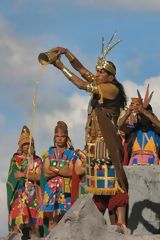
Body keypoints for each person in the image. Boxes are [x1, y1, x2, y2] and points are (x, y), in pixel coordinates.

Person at [47, 34, 129, 233]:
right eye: (98, 71)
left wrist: (60, 67)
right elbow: (83, 71)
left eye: (101, 72)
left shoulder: (110, 89)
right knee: (98, 185)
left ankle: (120, 223)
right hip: (94, 143)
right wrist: (66, 53)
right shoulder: (102, 84)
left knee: (114, 180)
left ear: (110, 76)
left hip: (107, 142)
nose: (97, 74)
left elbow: (81, 84)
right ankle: (95, 224)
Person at [38, 121, 77, 235]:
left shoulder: (72, 154)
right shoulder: (48, 153)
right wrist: (62, 171)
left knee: (65, 218)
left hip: (66, 189)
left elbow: (71, 171)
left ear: (66, 138)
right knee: (52, 219)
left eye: (62, 136)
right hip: (51, 190)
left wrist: (54, 169)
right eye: (57, 136)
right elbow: (46, 172)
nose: (60, 139)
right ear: (54, 137)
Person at [7, 126, 42, 239]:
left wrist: (25, 174)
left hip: (34, 192)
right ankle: (16, 232)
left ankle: (33, 233)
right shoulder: (16, 159)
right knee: (19, 206)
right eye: (24, 144)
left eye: (29, 144)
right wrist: (21, 174)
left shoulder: (37, 160)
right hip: (20, 191)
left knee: (33, 222)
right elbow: (14, 177)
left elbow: (39, 177)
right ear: (21, 146)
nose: (27, 146)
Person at [117, 87, 160, 166]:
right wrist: (128, 112)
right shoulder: (133, 130)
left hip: (152, 163)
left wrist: (143, 111)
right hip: (134, 162)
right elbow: (120, 125)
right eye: (140, 115)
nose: (142, 117)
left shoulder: (156, 130)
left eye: (145, 115)